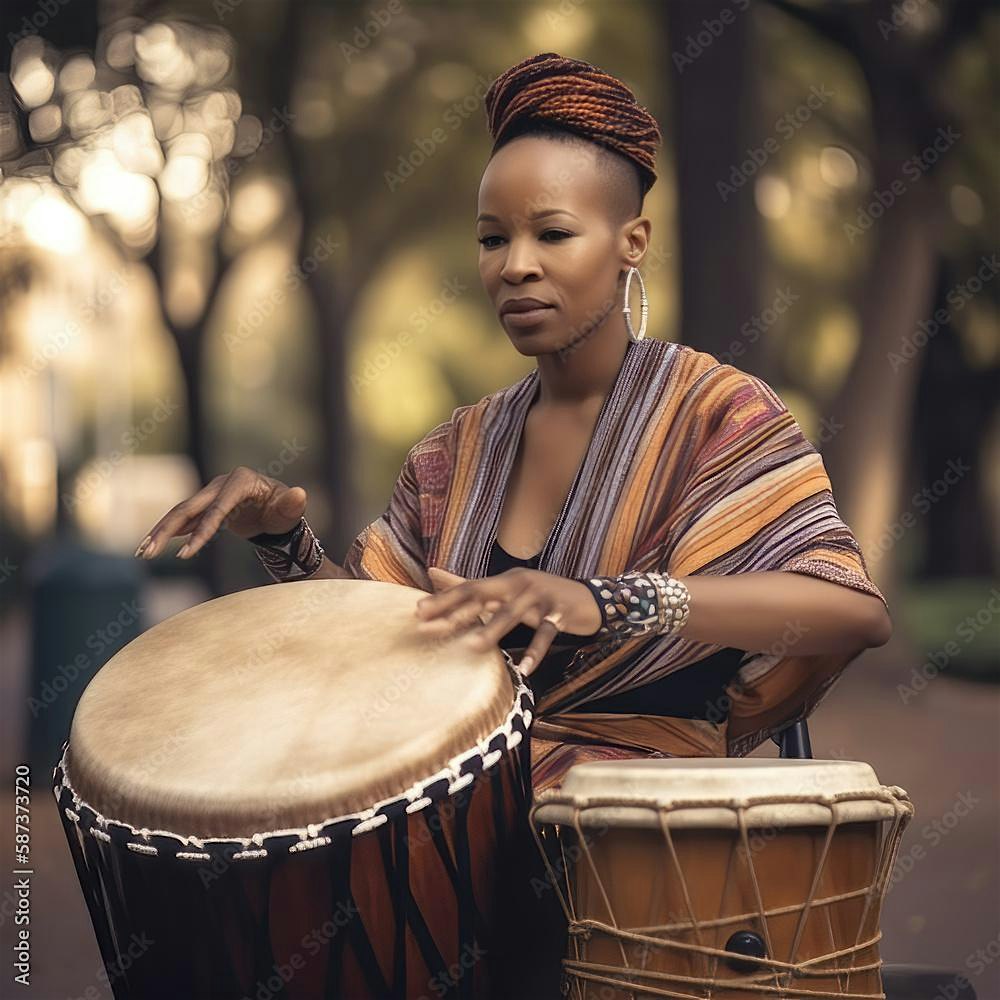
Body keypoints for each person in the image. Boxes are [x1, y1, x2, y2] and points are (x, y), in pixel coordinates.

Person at [135, 51, 891, 994]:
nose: (516, 265)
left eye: (553, 233)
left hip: (644, 844)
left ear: (631, 241)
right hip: (448, 822)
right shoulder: (455, 452)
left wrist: (602, 601)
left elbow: (847, 610)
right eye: (492, 239)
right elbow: (375, 633)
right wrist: (284, 538)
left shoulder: (717, 414)